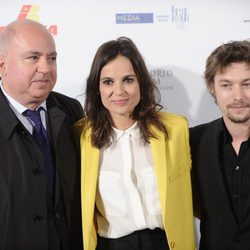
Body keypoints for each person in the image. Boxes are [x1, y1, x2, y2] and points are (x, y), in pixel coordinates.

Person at [76, 36, 196, 250]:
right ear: (97, 88)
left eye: (128, 80)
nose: (119, 91)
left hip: (165, 243)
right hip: (110, 245)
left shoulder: (175, 130)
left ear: (141, 82)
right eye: (108, 82)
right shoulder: (81, 137)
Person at [0, 19, 83, 250]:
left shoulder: (71, 110)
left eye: (52, 58)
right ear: (2, 65)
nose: (46, 68)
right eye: (33, 58)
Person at [190, 40, 250, 250]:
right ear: (211, 87)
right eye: (226, 85)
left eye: (247, 84)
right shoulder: (193, 141)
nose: (238, 96)